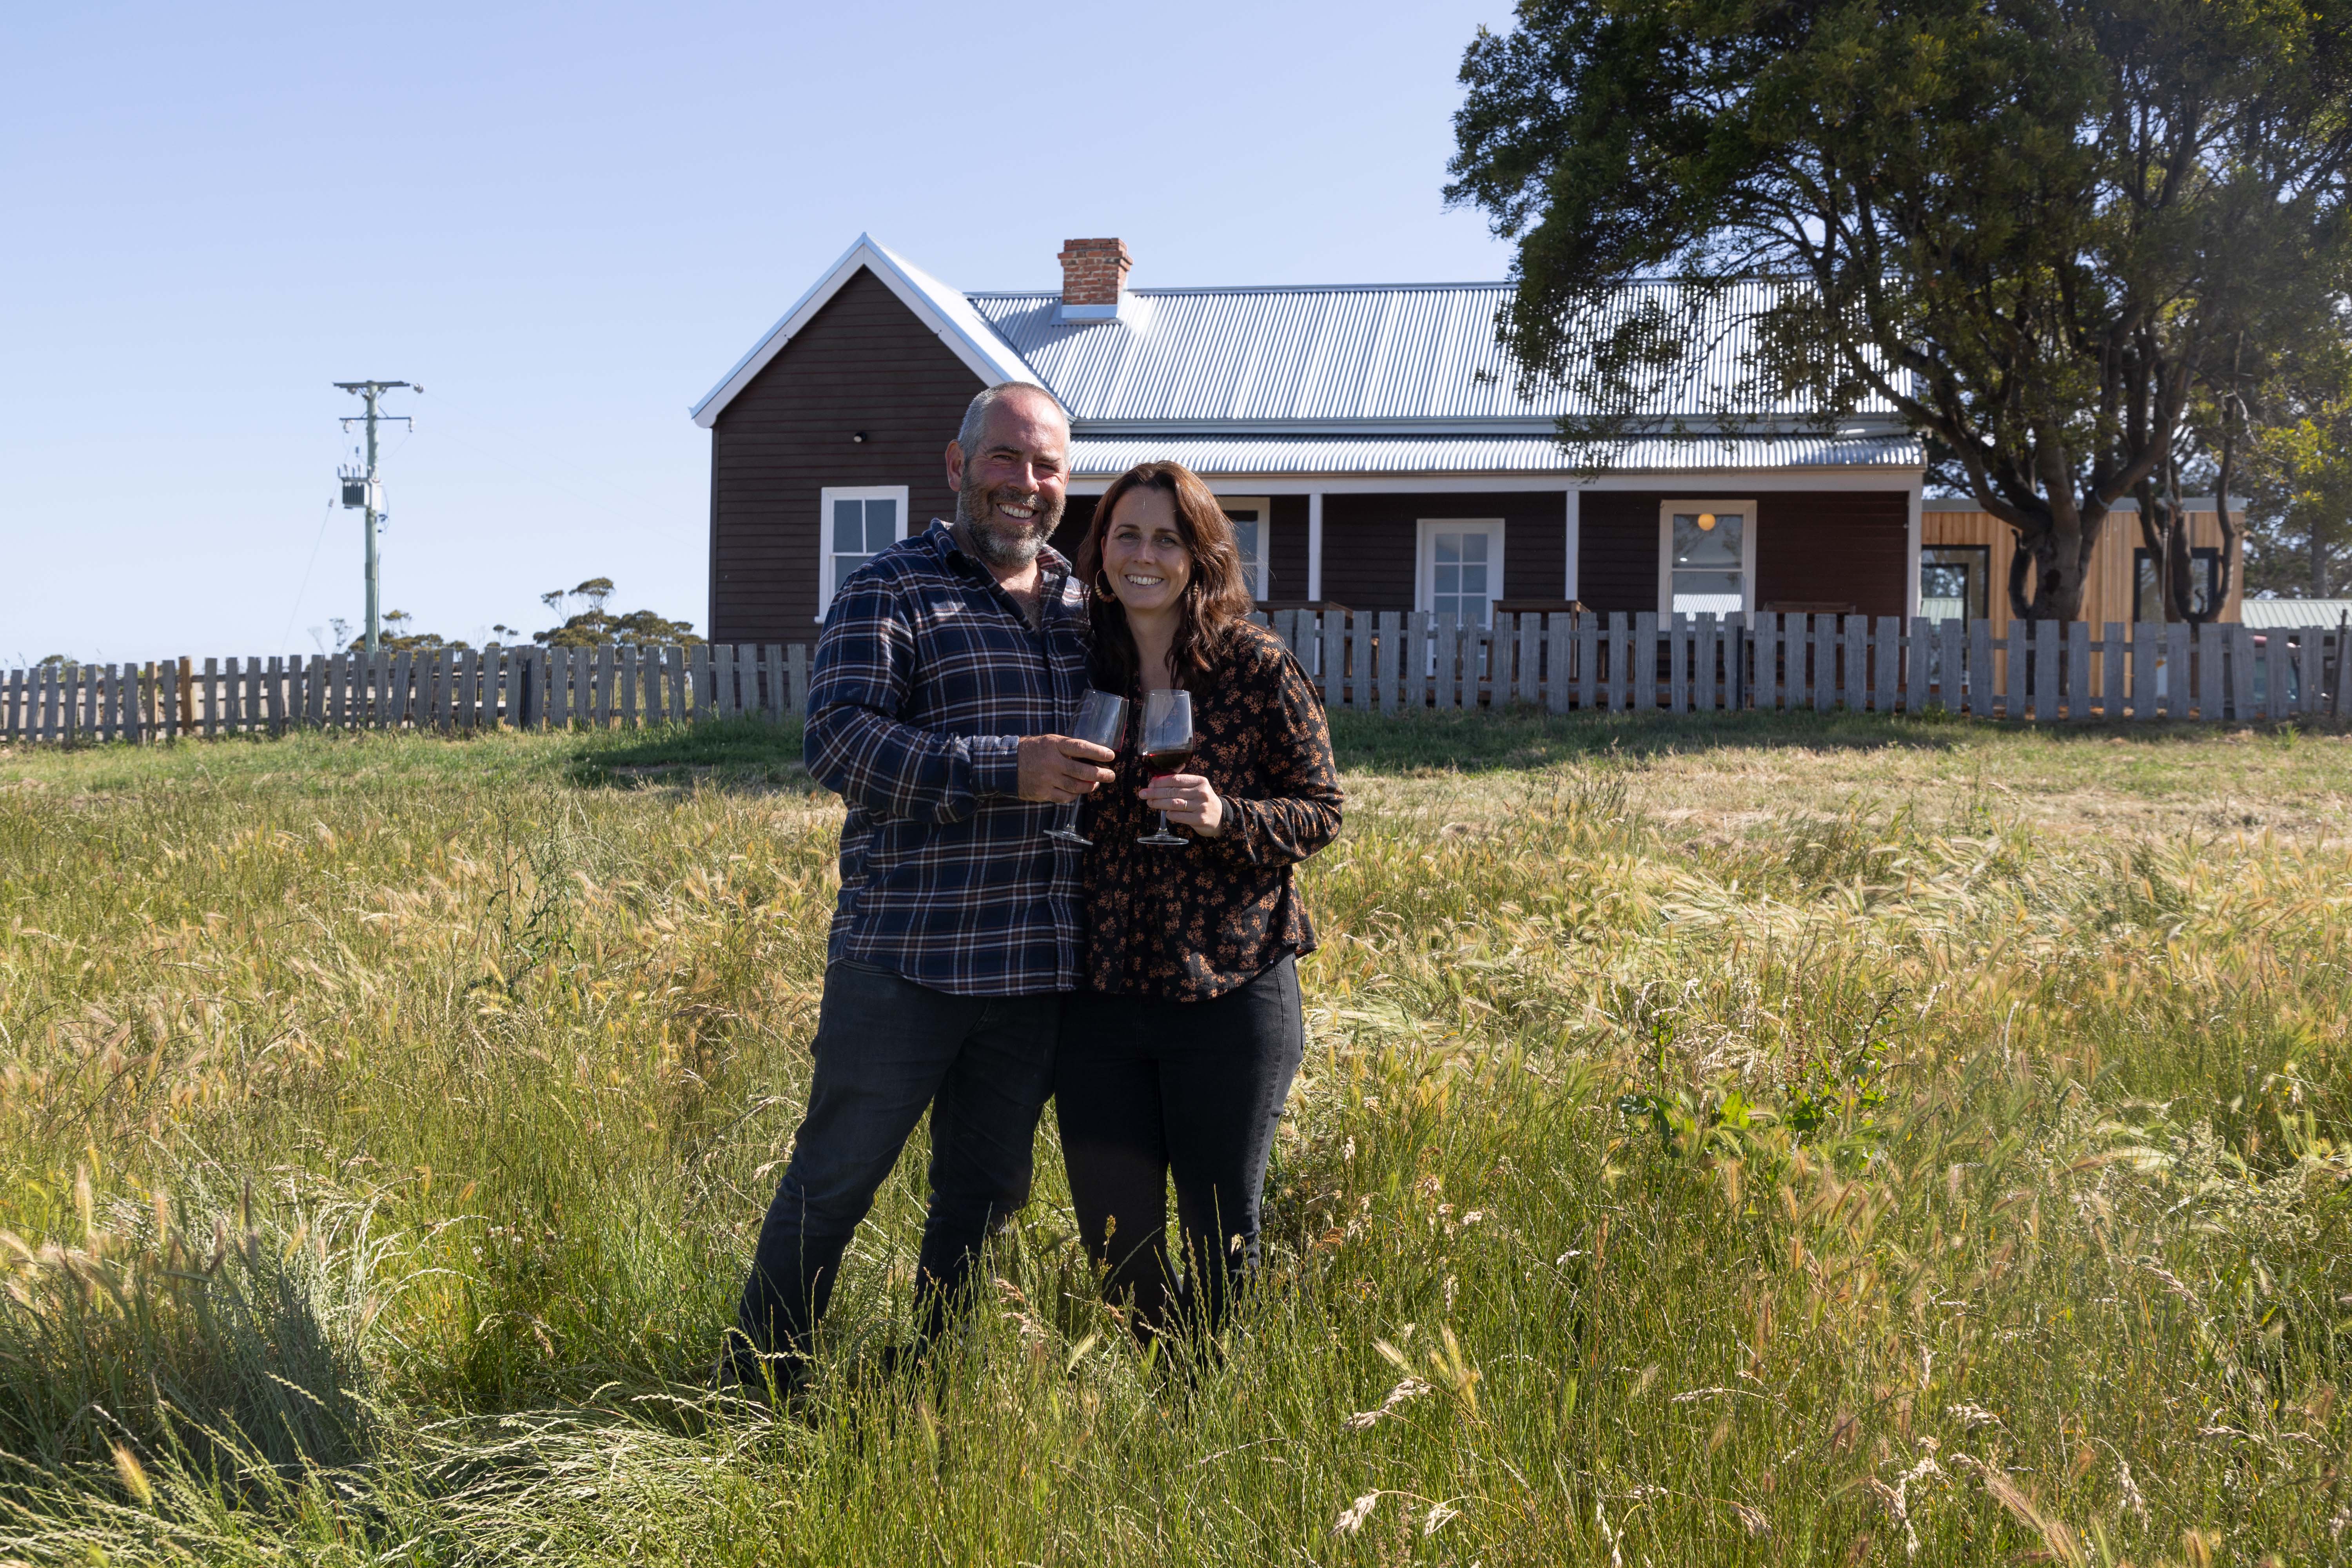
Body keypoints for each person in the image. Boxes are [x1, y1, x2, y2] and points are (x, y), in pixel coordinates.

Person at [723, 381, 1116, 1390]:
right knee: (834, 1181)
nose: (1026, 485)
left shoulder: (1087, 601)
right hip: (905, 956)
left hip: (1033, 965)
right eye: (1006, 459)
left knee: (983, 1194)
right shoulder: (889, 587)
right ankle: (758, 1385)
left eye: (1048, 468)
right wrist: (1002, 767)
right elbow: (840, 739)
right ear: (956, 464)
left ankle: (931, 1378)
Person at [1055, 460, 1344, 1349]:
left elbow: (1322, 810)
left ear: (1200, 555)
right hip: (1100, 993)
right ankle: (1179, 1377)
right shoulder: (1074, 659)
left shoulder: (1255, 667)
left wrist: (1228, 817)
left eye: (1167, 538)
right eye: (1126, 533)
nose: (1144, 555)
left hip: (1230, 989)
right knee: (1115, 1238)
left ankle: (1204, 1421)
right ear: (1100, 549)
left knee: (1223, 1233)